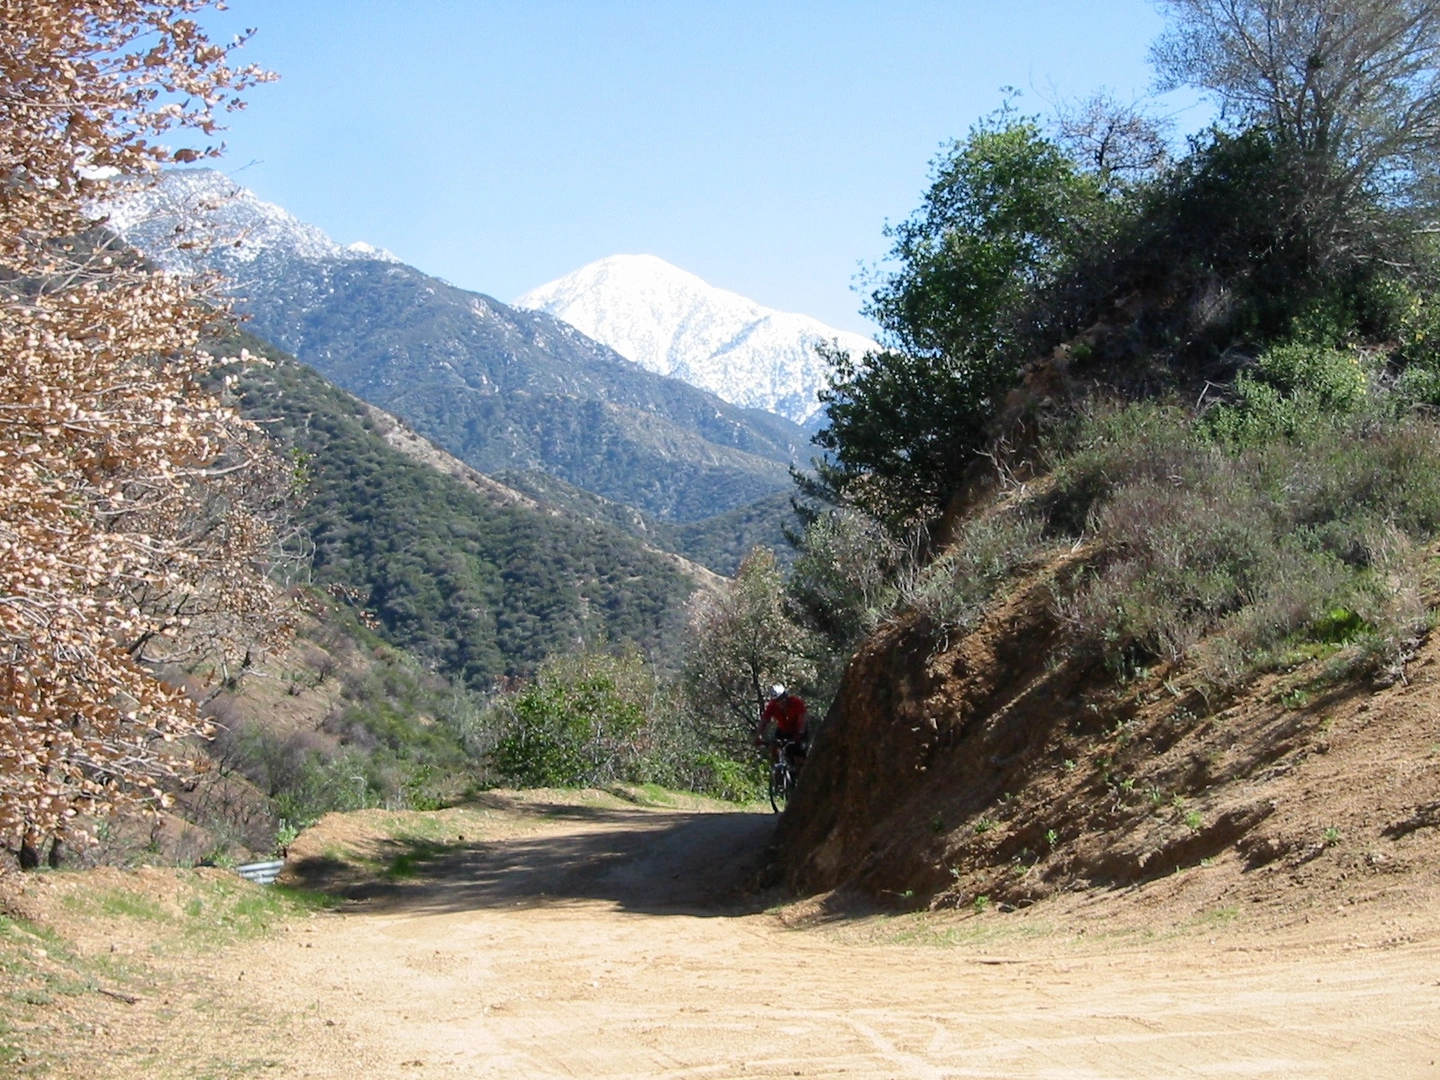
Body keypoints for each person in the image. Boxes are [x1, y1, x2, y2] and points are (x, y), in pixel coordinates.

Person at [756, 684, 808, 768]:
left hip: (798, 731)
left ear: (786, 695)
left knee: (799, 760)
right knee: (774, 747)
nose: (781, 701)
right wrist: (759, 736)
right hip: (783, 730)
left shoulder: (796, 702)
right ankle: (778, 768)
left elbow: (804, 718)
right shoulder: (772, 706)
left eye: (782, 698)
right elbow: (764, 721)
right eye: (777, 700)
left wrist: (800, 732)